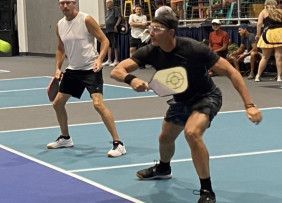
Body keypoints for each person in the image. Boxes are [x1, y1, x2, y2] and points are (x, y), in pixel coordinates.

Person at [110, 13, 262, 203]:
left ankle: (207, 190)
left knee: (192, 133)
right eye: (151, 28)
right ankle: (164, 169)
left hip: (206, 97)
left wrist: (249, 105)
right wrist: (131, 80)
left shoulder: (193, 48)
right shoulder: (150, 50)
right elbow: (117, 70)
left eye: (157, 29)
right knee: (165, 138)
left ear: (171, 32)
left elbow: (231, 71)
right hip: (181, 100)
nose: (151, 32)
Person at [47, 0, 126, 158]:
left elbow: (104, 40)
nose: (64, 6)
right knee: (57, 103)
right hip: (73, 69)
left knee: (98, 104)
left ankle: (118, 144)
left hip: (91, 68)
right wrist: (57, 68)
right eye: (61, 3)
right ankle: (65, 138)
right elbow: (60, 48)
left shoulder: (86, 19)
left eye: (67, 2)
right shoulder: (60, 25)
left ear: (74, 3)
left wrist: (100, 59)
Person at [254, 0, 282, 82]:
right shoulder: (280, 11)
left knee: (265, 57)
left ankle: (258, 76)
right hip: (280, 33)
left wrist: (258, 34)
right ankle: (279, 77)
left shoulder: (264, 11)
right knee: (279, 56)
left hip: (268, 34)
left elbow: (259, 24)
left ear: (265, 4)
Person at [102, 0, 122, 67]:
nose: (106, 4)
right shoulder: (107, 11)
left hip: (113, 30)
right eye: (106, 3)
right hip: (108, 30)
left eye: (108, 3)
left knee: (115, 45)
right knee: (109, 45)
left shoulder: (115, 8)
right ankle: (109, 60)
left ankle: (116, 60)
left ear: (111, 3)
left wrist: (116, 25)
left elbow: (119, 18)